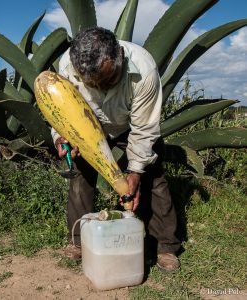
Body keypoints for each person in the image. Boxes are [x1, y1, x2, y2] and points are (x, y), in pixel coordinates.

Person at [52, 26, 181, 272]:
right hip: (88, 124)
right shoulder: (67, 66)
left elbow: (144, 129)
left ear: (120, 54)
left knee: (153, 177)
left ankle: (166, 246)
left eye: (109, 80)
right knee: (80, 174)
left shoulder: (144, 70)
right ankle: (79, 242)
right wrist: (61, 137)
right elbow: (60, 108)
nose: (101, 88)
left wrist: (135, 172)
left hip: (128, 125)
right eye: (92, 84)